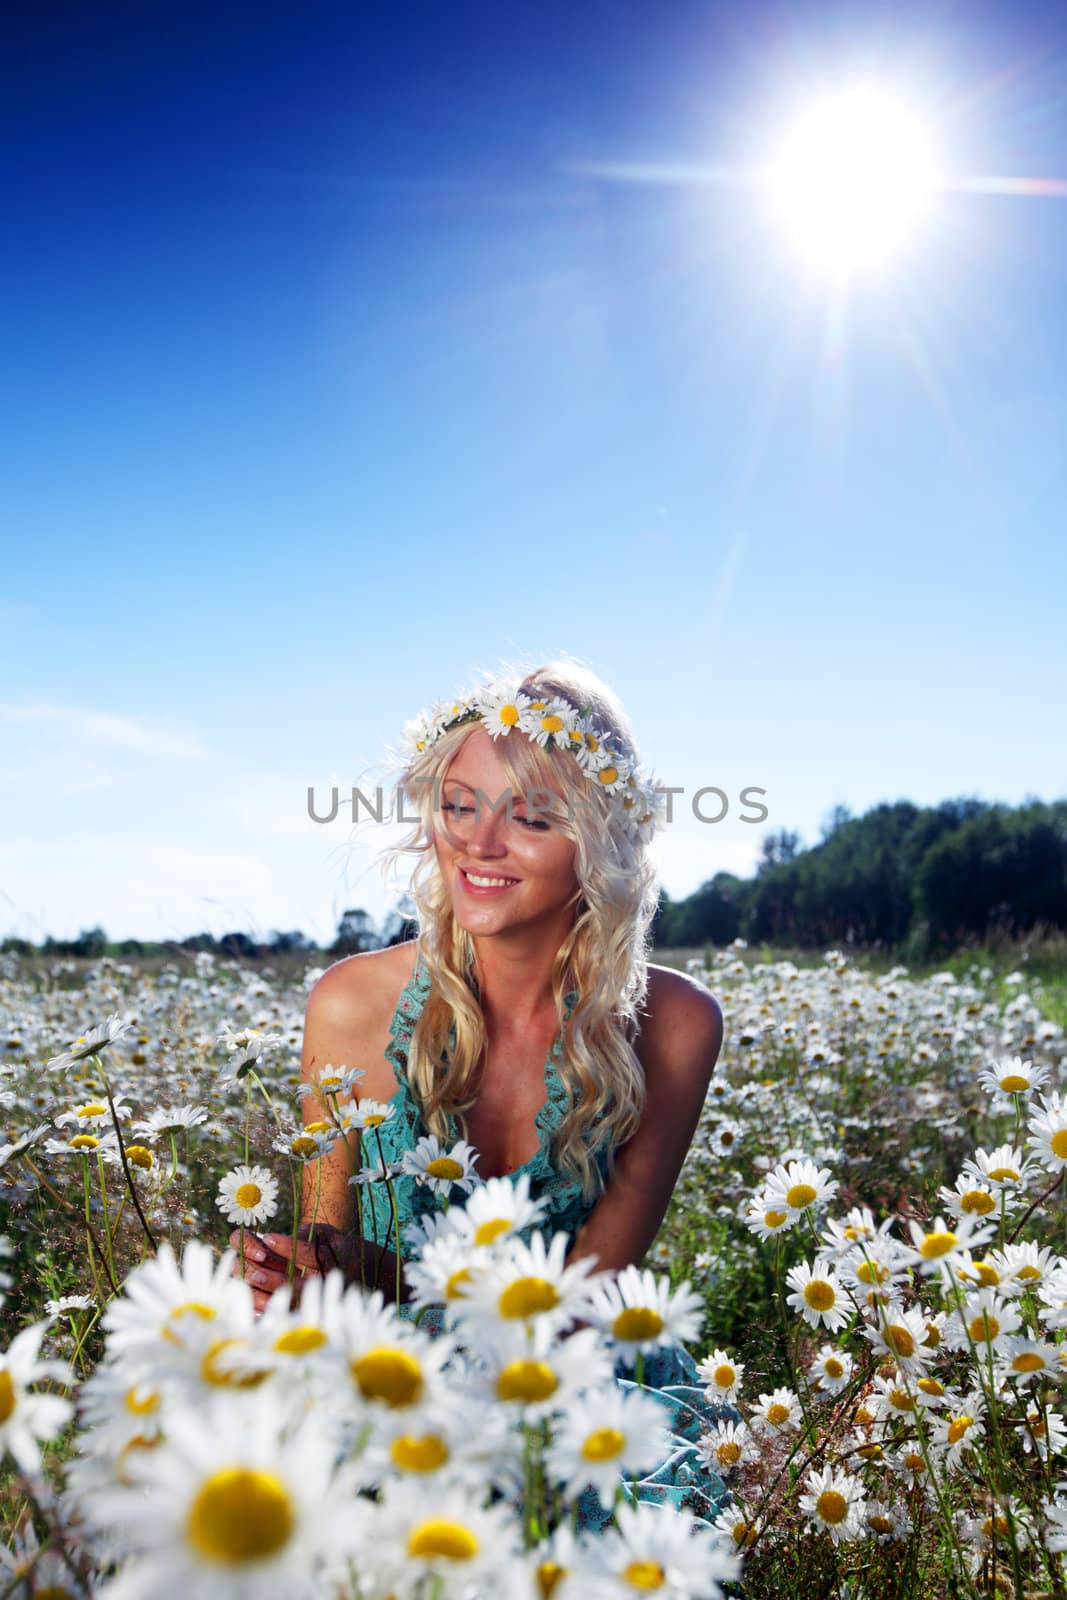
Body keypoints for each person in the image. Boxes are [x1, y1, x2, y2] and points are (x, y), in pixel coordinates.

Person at [232, 659, 733, 1523]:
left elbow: (587, 1305)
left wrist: (392, 1293)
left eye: (532, 817)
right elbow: (328, 1248)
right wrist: (300, 1284)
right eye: (458, 805)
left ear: (603, 842)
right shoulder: (348, 1008)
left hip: (578, 1402)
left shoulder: (676, 1024)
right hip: (386, 1391)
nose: (477, 842)